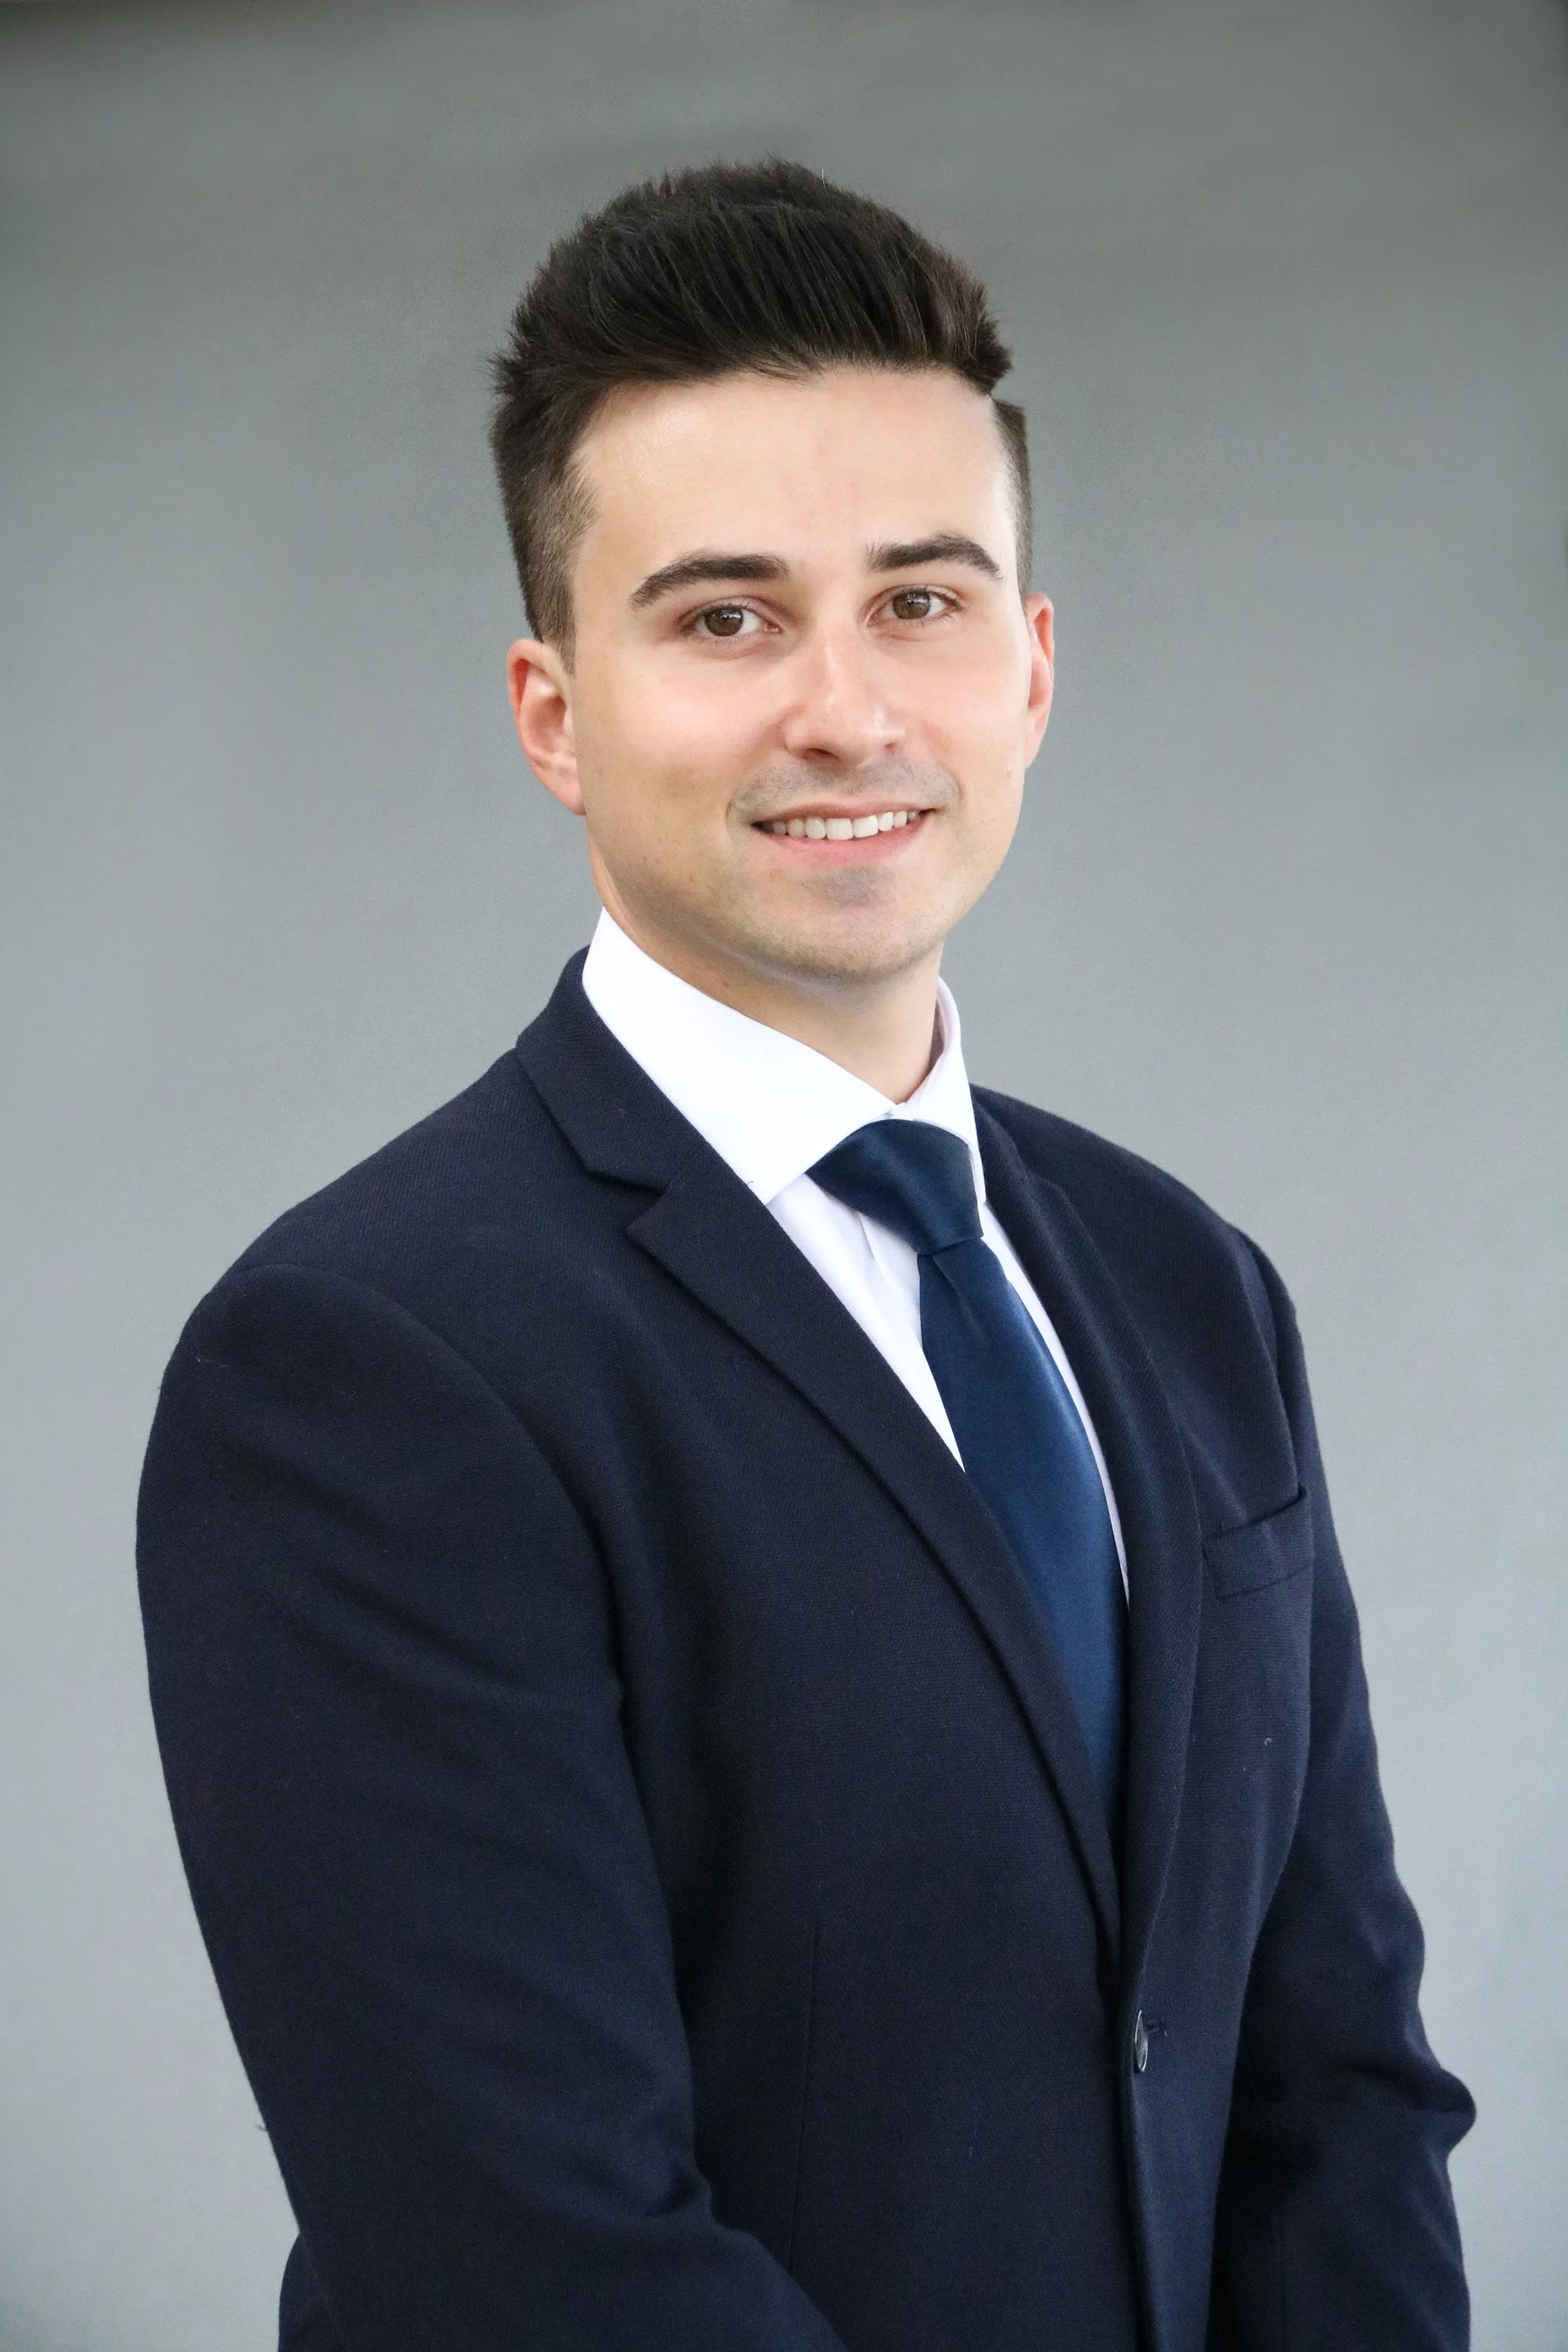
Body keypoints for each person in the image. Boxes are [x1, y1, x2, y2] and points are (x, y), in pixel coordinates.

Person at [136, 161, 1473, 2352]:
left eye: (923, 604)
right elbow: (530, 2259)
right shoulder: (367, 1365)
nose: (846, 711)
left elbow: (1333, 2084)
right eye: (726, 616)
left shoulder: (1185, 1283)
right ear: (554, 708)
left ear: (1031, 670)